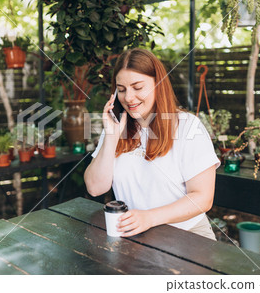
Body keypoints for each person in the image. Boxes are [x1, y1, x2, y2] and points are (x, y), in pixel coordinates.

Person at [84, 48, 220, 240]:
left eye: (137, 87)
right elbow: (95, 187)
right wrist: (111, 138)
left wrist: (149, 218)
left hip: (188, 235)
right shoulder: (117, 128)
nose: (128, 98)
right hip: (137, 236)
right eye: (121, 90)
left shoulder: (188, 126)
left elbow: (203, 198)